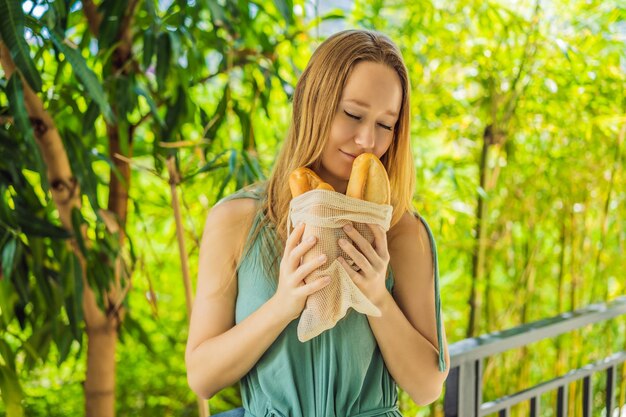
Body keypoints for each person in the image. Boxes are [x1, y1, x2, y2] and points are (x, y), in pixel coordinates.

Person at [185, 29, 449, 417]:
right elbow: (202, 377)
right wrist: (283, 305)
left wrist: (376, 295)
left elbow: (427, 388)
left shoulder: (403, 231)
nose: (366, 140)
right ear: (312, 104)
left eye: (385, 124)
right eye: (353, 114)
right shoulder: (237, 219)